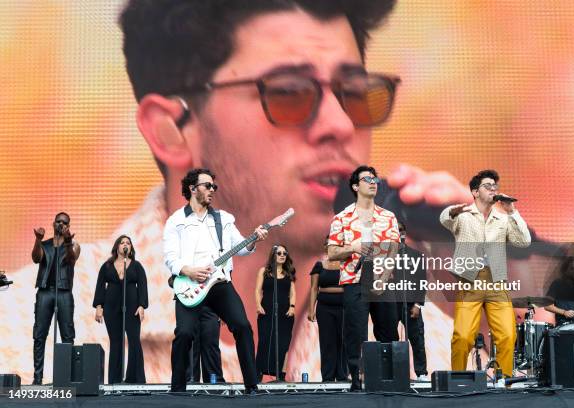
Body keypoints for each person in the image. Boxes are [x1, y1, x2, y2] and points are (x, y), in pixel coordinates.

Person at [117, 0, 471, 381]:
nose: (340, 124)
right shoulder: (60, 326)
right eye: (288, 92)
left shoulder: (426, 338)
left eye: (353, 93)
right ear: (169, 130)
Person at [164, 168, 268, 393]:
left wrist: (253, 240)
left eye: (214, 187)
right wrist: (188, 270)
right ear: (192, 189)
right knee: (184, 333)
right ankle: (177, 388)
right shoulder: (176, 221)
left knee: (242, 326)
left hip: (219, 283)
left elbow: (240, 247)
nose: (212, 190)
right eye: (207, 186)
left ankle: (252, 384)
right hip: (190, 284)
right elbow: (170, 257)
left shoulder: (224, 219)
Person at [440, 169, 531, 378]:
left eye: (494, 186)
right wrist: (455, 209)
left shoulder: (502, 218)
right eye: (487, 186)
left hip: (496, 281)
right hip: (470, 280)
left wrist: (512, 211)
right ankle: (459, 379)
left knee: (507, 334)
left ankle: (503, 379)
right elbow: (444, 218)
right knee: (463, 336)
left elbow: (524, 241)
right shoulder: (463, 216)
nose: (493, 189)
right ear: (474, 192)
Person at [328, 165, 401, 391]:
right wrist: (353, 247)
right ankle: (356, 379)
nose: (373, 182)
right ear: (355, 186)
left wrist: (385, 277)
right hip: (355, 279)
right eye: (367, 179)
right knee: (355, 331)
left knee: (388, 329)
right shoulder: (342, 218)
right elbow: (332, 253)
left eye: (375, 179)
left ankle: (388, 378)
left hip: (382, 279)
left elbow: (393, 250)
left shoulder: (388, 216)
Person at [31, 212, 80, 385]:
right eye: (58, 221)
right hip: (45, 292)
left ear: (68, 226)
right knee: (39, 334)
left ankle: (66, 379)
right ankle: (37, 378)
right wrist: (38, 239)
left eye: (64, 222)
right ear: (53, 223)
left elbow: (72, 259)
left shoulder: (73, 245)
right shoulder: (44, 245)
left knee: (67, 335)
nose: (61, 224)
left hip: (64, 292)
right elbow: (36, 258)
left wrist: (67, 241)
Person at [93, 235, 148, 384]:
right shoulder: (107, 266)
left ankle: (134, 380)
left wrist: (142, 306)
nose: (125, 245)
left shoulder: (137, 266)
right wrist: (99, 306)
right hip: (111, 309)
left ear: (131, 248)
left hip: (132, 308)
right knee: (116, 342)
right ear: (117, 247)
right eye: (122, 242)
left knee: (134, 340)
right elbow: (100, 287)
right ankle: (114, 381)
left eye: (128, 243)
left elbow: (143, 287)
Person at [307, 236, 347, 382]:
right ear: (325, 247)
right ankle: (328, 377)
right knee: (327, 342)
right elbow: (313, 289)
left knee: (343, 340)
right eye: (329, 244)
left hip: (344, 307)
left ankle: (342, 376)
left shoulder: (347, 265)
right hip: (324, 308)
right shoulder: (319, 265)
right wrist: (311, 310)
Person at [255, 245, 296, 381]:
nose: (282, 255)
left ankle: (281, 375)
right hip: (267, 310)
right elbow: (258, 290)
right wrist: (258, 305)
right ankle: (259, 372)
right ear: (273, 255)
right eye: (279, 253)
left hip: (285, 312)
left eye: (285, 253)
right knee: (265, 341)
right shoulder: (264, 271)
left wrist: (292, 307)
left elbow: (292, 292)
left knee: (283, 344)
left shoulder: (288, 272)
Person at [395, 222, 428, 381]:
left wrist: (417, 304)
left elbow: (421, 281)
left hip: (410, 304)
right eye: (396, 230)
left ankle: (421, 373)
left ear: (405, 233)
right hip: (390, 304)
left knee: (417, 338)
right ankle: (392, 373)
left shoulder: (416, 256)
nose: (398, 233)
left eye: (401, 230)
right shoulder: (383, 256)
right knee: (390, 339)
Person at [544, 256, 574, 326]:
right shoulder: (557, 284)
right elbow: (547, 305)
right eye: (572, 268)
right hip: (564, 327)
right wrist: (564, 312)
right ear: (565, 270)